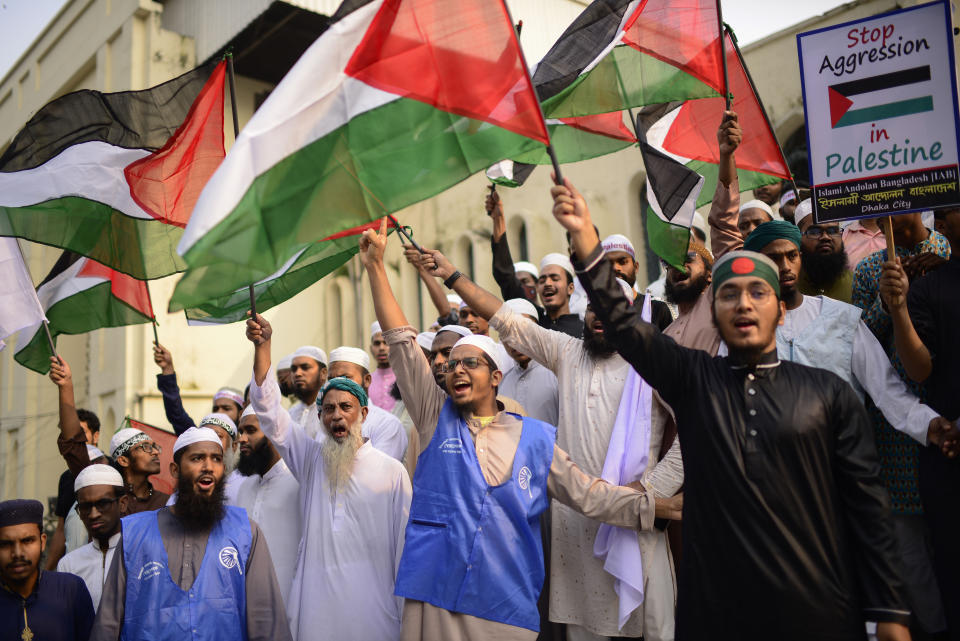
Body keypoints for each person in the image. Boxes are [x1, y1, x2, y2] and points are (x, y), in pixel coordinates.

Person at [553, 174, 913, 641]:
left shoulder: (829, 395)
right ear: (715, 314)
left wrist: (890, 613)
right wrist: (585, 240)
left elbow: (868, 509)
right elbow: (625, 326)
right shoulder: (695, 383)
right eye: (729, 294)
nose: (743, 303)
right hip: (717, 612)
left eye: (757, 292)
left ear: (780, 310)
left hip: (817, 607)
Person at [362, 218, 682, 641]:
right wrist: (375, 268)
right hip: (436, 594)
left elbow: (586, 493)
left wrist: (651, 503)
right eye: (451, 364)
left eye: (470, 362)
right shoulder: (433, 416)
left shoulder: (534, 438)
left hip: (504, 600)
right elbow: (403, 342)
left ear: (497, 377)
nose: (456, 369)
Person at [246, 317, 411, 641]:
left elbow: (404, 552)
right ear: (320, 418)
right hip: (315, 608)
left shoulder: (392, 472)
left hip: (375, 610)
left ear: (363, 414)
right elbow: (268, 410)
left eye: (346, 407)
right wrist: (262, 346)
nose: (337, 415)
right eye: (329, 409)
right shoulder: (310, 461)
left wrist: (404, 615)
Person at [91, 427, 291, 641]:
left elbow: (265, 619)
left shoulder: (245, 531)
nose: (208, 467)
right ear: (175, 470)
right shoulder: (135, 533)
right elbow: (109, 622)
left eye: (216, 459)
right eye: (197, 458)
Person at [880, 205, 960, 640]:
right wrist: (897, 306)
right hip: (941, 451)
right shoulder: (920, 285)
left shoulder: (939, 261)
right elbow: (918, 370)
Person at [660, 110, 744, 356]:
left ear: (710, 275)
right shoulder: (665, 336)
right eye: (671, 263)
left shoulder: (717, 305)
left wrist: (727, 155)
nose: (677, 266)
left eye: (687, 259)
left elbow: (725, 225)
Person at [49, 356, 169, 514]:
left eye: (155, 447)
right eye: (146, 447)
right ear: (124, 460)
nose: (154, 452)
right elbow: (72, 446)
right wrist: (66, 387)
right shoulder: (106, 494)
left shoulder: (167, 503)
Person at [486, 191, 584, 338]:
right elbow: (505, 276)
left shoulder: (585, 329)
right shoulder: (533, 322)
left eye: (554, 278)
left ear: (571, 288)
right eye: (542, 280)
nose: (547, 284)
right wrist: (498, 219)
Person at [234, 405, 302, 608]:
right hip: (250, 602)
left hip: (290, 602)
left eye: (251, 431)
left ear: (275, 433)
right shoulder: (245, 487)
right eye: (241, 431)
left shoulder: (299, 483)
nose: (242, 439)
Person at [0, 499, 95, 641]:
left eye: (27, 541)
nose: (18, 553)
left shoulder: (70, 590)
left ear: (42, 542)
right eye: (6, 544)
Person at [57, 465, 127, 611]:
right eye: (85, 507)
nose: (93, 514)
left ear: (122, 503)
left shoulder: (140, 555)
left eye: (102, 504)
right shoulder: (69, 565)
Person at [327, 346, 409, 460]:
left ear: (367, 380)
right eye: (331, 379)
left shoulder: (387, 425)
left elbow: (378, 472)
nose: (336, 384)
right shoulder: (325, 423)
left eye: (345, 378)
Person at [48, 408, 101, 571]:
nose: (76, 441)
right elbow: (61, 529)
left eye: (81, 434)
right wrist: (47, 571)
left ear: (95, 436)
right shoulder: (66, 478)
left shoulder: (110, 468)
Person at [153, 342, 243, 434]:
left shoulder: (249, 446)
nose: (218, 413)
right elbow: (177, 415)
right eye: (215, 409)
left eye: (226, 408)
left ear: (241, 414)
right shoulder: (199, 440)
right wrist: (168, 368)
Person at [498, 298, 560, 426]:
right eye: (507, 333)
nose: (515, 339)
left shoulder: (558, 374)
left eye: (523, 330)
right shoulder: (502, 382)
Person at [793, 200, 855, 303]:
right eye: (814, 232)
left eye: (833, 231)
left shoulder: (856, 283)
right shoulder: (787, 284)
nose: (825, 237)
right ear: (798, 236)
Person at [286, 345, 328, 440]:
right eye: (294, 369)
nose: (298, 373)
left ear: (323, 373)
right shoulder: (290, 414)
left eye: (305, 367)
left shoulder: (331, 411)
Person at [370, 321, 397, 411]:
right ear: (371, 348)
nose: (381, 348)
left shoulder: (404, 379)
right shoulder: (367, 381)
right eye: (377, 343)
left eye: (386, 342)